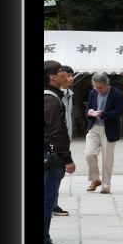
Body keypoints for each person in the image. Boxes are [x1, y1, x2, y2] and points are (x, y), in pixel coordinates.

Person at [43, 60, 77, 244]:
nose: (66, 74)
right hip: (50, 154)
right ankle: (44, 242)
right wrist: (67, 158)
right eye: (61, 72)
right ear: (52, 76)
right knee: (47, 201)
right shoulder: (51, 99)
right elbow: (56, 131)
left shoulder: (53, 97)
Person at [82, 73, 123, 194]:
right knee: (89, 153)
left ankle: (106, 185)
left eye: (100, 87)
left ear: (107, 84)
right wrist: (89, 112)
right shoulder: (92, 93)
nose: (97, 90)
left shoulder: (117, 94)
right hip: (94, 126)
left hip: (109, 128)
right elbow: (89, 108)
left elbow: (119, 112)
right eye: (95, 87)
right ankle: (95, 179)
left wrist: (103, 114)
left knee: (107, 158)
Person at [51, 64, 76, 216]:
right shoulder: (53, 95)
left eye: (71, 75)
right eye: (67, 75)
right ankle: (52, 204)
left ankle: (53, 203)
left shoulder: (69, 93)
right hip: (54, 141)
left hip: (64, 139)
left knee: (58, 174)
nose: (70, 78)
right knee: (53, 173)